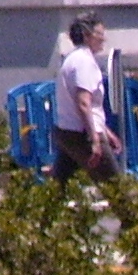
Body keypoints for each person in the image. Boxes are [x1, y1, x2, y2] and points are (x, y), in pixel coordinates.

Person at [53, 12, 122, 181]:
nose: (103, 39)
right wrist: (95, 139)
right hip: (82, 133)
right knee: (114, 185)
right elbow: (84, 103)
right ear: (86, 35)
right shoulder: (85, 62)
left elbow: (90, 107)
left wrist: (107, 131)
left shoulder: (72, 59)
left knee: (59, 187)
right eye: (99, 34)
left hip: (65, 131)